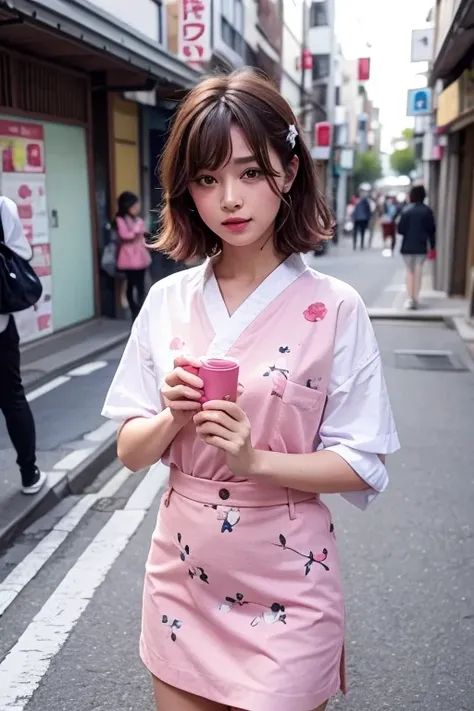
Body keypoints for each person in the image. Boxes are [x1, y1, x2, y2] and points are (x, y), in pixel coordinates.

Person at [102, 69, 400, 711]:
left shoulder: (336, 307)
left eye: (250, 173)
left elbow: (361, 460)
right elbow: (129, 448)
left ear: (288, 173)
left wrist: (252, 461)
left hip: (290, 581)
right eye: (208, 179)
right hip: (181, 575)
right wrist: (169, 420)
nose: (229, 199)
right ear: (188, 192)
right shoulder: (166, 301)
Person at [0, 196, 47, 495]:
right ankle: (29, 474)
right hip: (0, 325)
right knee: (12, 396)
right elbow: (21, 251)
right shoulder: (2, 206)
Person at [397, 184, 436, 310]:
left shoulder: (406, 210)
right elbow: (432, 231)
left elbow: (400, 230)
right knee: (419, 270)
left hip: (407, 246)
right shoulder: (427, 211)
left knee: (409, 271)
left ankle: (410, 298)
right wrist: (433, 247)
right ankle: (416, 297)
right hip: (421, 246)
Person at [115, 191, 151, 321]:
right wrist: (137, 227)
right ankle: (134, 310)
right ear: (127, 205)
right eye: (134, 204)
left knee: (141, 286)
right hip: (128, 258)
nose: (137, 207)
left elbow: (143, 234)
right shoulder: (120, 219)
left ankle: (140, 312)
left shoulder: (137, 219)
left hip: (140, 256)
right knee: (130, 285)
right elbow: (126, 236)